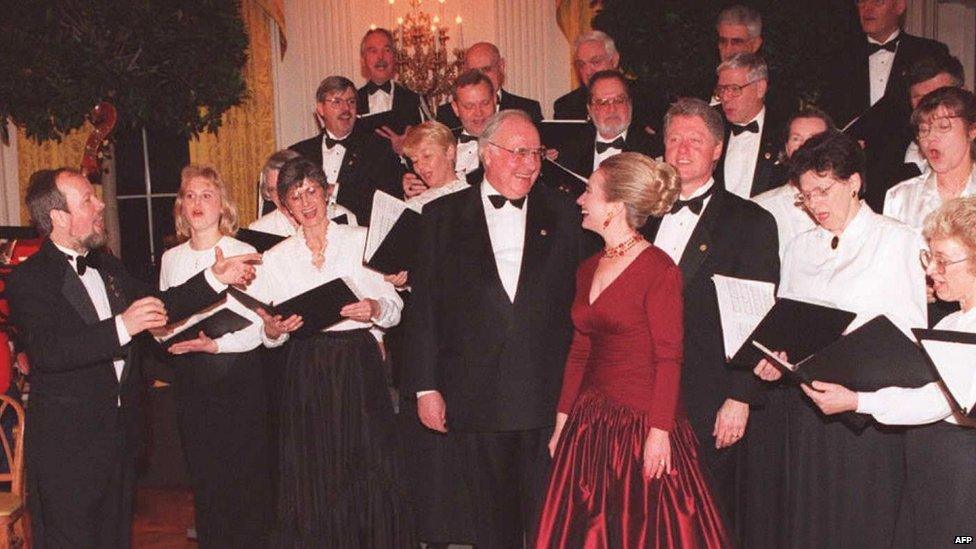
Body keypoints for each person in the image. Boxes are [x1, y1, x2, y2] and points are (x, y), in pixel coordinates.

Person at [7, 168, 257, 548]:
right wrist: (123, 326)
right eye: (88, 200)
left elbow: (163, 303)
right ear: (59, 217)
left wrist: (215, 277)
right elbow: (49, 352)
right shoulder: (29, 280)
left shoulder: (106, 265)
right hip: (69, 451)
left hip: (120, 441)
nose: (101, 203)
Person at [403, 110, 581, 548]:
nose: (530, 163)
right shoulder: (440, 217)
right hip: (474, 396)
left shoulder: (565, 212)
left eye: (535, 153)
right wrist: (426, 387)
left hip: (545, 396)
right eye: (519, 152)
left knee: (548, 525)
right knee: (488, 526)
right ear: (486, 155)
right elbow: (424, 309)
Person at [535, 152, 730, 547]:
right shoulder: (588, 267)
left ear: (616, 205)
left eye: (589, 191)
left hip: (643, 422)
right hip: (590, 424)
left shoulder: (659, 269)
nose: (579, 201)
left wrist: (659, 432)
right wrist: (561, 421)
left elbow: (669, 356)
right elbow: (579, 350)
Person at [753, 129, 927, 549]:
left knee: (861, 525)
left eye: (823, 191)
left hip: (866, 415)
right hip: (808, 410)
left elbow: (910, 334)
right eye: (805, 195)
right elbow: (791, 324)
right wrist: (775, 359)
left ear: (854, 183)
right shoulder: (798, 247)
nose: (814, 205)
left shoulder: (896, 239)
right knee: (810, 527)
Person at [637, 97, 779, 545]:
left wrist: (741, 396)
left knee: (707, 516)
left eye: (694, 141)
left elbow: (756, 319)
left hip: (710, 394)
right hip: (643, 392)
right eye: (673, 139)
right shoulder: (638, 215)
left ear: (718, 149)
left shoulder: (750, 221)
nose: (681, 150)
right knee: (646, 512)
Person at [797, 196, 976, 547]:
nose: (930, 271)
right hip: (928, 457)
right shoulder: (952, 319)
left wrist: (857, 401)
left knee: (959, 541)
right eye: (930, 258)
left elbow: (936, 401)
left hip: (961, 466)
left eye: (943, 261)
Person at [255, 157, 412, 547]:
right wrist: (273, 329)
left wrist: (374, 309)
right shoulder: (275, 258)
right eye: (296, 196)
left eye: (312, 191)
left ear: (327, 192)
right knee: (316, 469)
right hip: (307, 366)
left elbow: (394, 310)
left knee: (367, 464)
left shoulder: (361, 239)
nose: (306, 202)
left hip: (358, 361)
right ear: (286, 207)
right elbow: (269, 335)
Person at [158, 164, 269, 548]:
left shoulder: (246, 252)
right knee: (204, 477)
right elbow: (168, 315)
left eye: (207, 194)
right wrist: (164, 335)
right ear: (181, 207)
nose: (197, 202)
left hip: (237, 371)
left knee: (245, 478)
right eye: (190, 195)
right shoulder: (171, 258)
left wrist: (217, 345)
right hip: (191, 373)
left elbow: (261, 325)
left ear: (223, 204)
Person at [822, 0, 949, 210]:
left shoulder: (928, 51)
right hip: (852, 172)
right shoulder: (838, 56)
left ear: (900, 6)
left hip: (908, 168)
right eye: (862, 2)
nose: (867, 9)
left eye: (877, 2)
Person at [289, 76, 405, 224]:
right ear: (320, 108)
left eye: (351, 102)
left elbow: (388, 202)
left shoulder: (378, 149)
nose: (346, 109)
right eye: (337, 102)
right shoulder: (299, 153)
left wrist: (334, 190)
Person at [553, 70, 662, 196]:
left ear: (630, 104)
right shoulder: (569, 153)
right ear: (590, 109)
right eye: (602, 102)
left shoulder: (653, 150)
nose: (612, 109)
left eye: (619, 100)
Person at [885, 87, 976, 231]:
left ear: (971, 131)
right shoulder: (901, 198)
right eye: (924, 129)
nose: (930, 137)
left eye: (943, 127)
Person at [753, 107, 836, 258]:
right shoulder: (760, 208)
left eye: (814, 139)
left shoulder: (846, 204)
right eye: (796, 139)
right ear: (786, 147)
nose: (805, 146)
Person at [714, 52, 784, 199]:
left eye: (734, 89)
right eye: (722, 89)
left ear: (760, 88)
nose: (725, 98)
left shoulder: (785, 130)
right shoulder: (711, 123)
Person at [436, 42, 543, 127]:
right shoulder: (447, 113)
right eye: (474, 71)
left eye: (486, 69)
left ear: (501, 66)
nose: (481, 77)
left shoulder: (527, 109)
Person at [250, 149, 357, 234]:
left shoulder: (342, 216)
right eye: (273, 190)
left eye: (287, 189)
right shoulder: (259, 230)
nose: (279, 196)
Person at [355, 28, 425, 154]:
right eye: (373, 51)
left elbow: (429, 149)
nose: (380, 57)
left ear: (395, 57)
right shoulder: (352, 103)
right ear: (363, 60)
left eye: (386, 50)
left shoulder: (414, 101)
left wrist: (407, 149)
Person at [901, 53, 966, 177]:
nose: (929, 105)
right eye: (920, 98)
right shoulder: (889, 151)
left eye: (939, 95)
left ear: (962, 93)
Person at [401, 121, 470, 209]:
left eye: (427, 156)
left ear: (449, 152)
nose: (420, 166)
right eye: (415, 161)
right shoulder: (416, 202)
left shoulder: (473, 191)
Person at [553, 30, 620, 120]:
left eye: (595, 62)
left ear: (614, 60)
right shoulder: (567, 106)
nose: (588, 71)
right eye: (581, 65)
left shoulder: (641, 97)